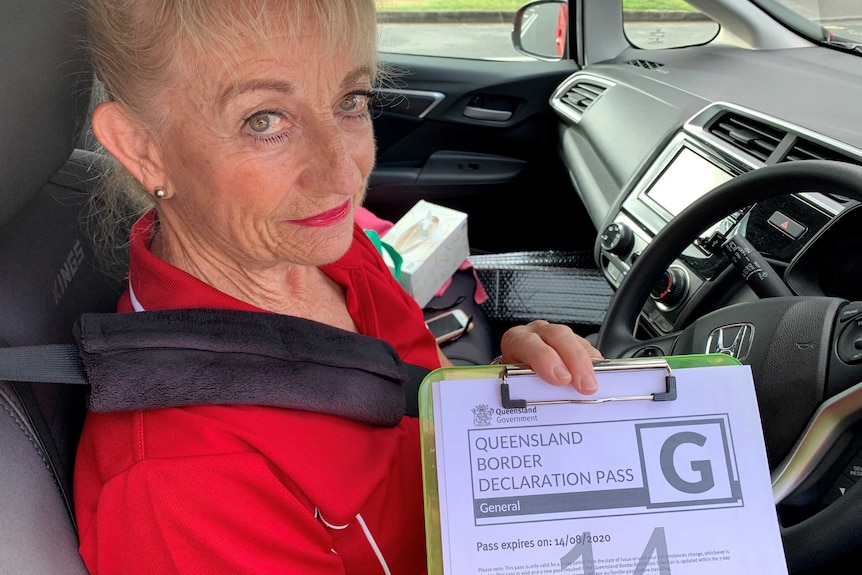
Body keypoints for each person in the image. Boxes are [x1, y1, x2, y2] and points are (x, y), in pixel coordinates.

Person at [73, 0, 603, 573]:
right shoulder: (184, 481)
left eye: (350, 101)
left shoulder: (328, 253)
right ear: (140, 147)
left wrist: (505, 405)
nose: (345, 176)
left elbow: (416, 422)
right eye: (264, 120)